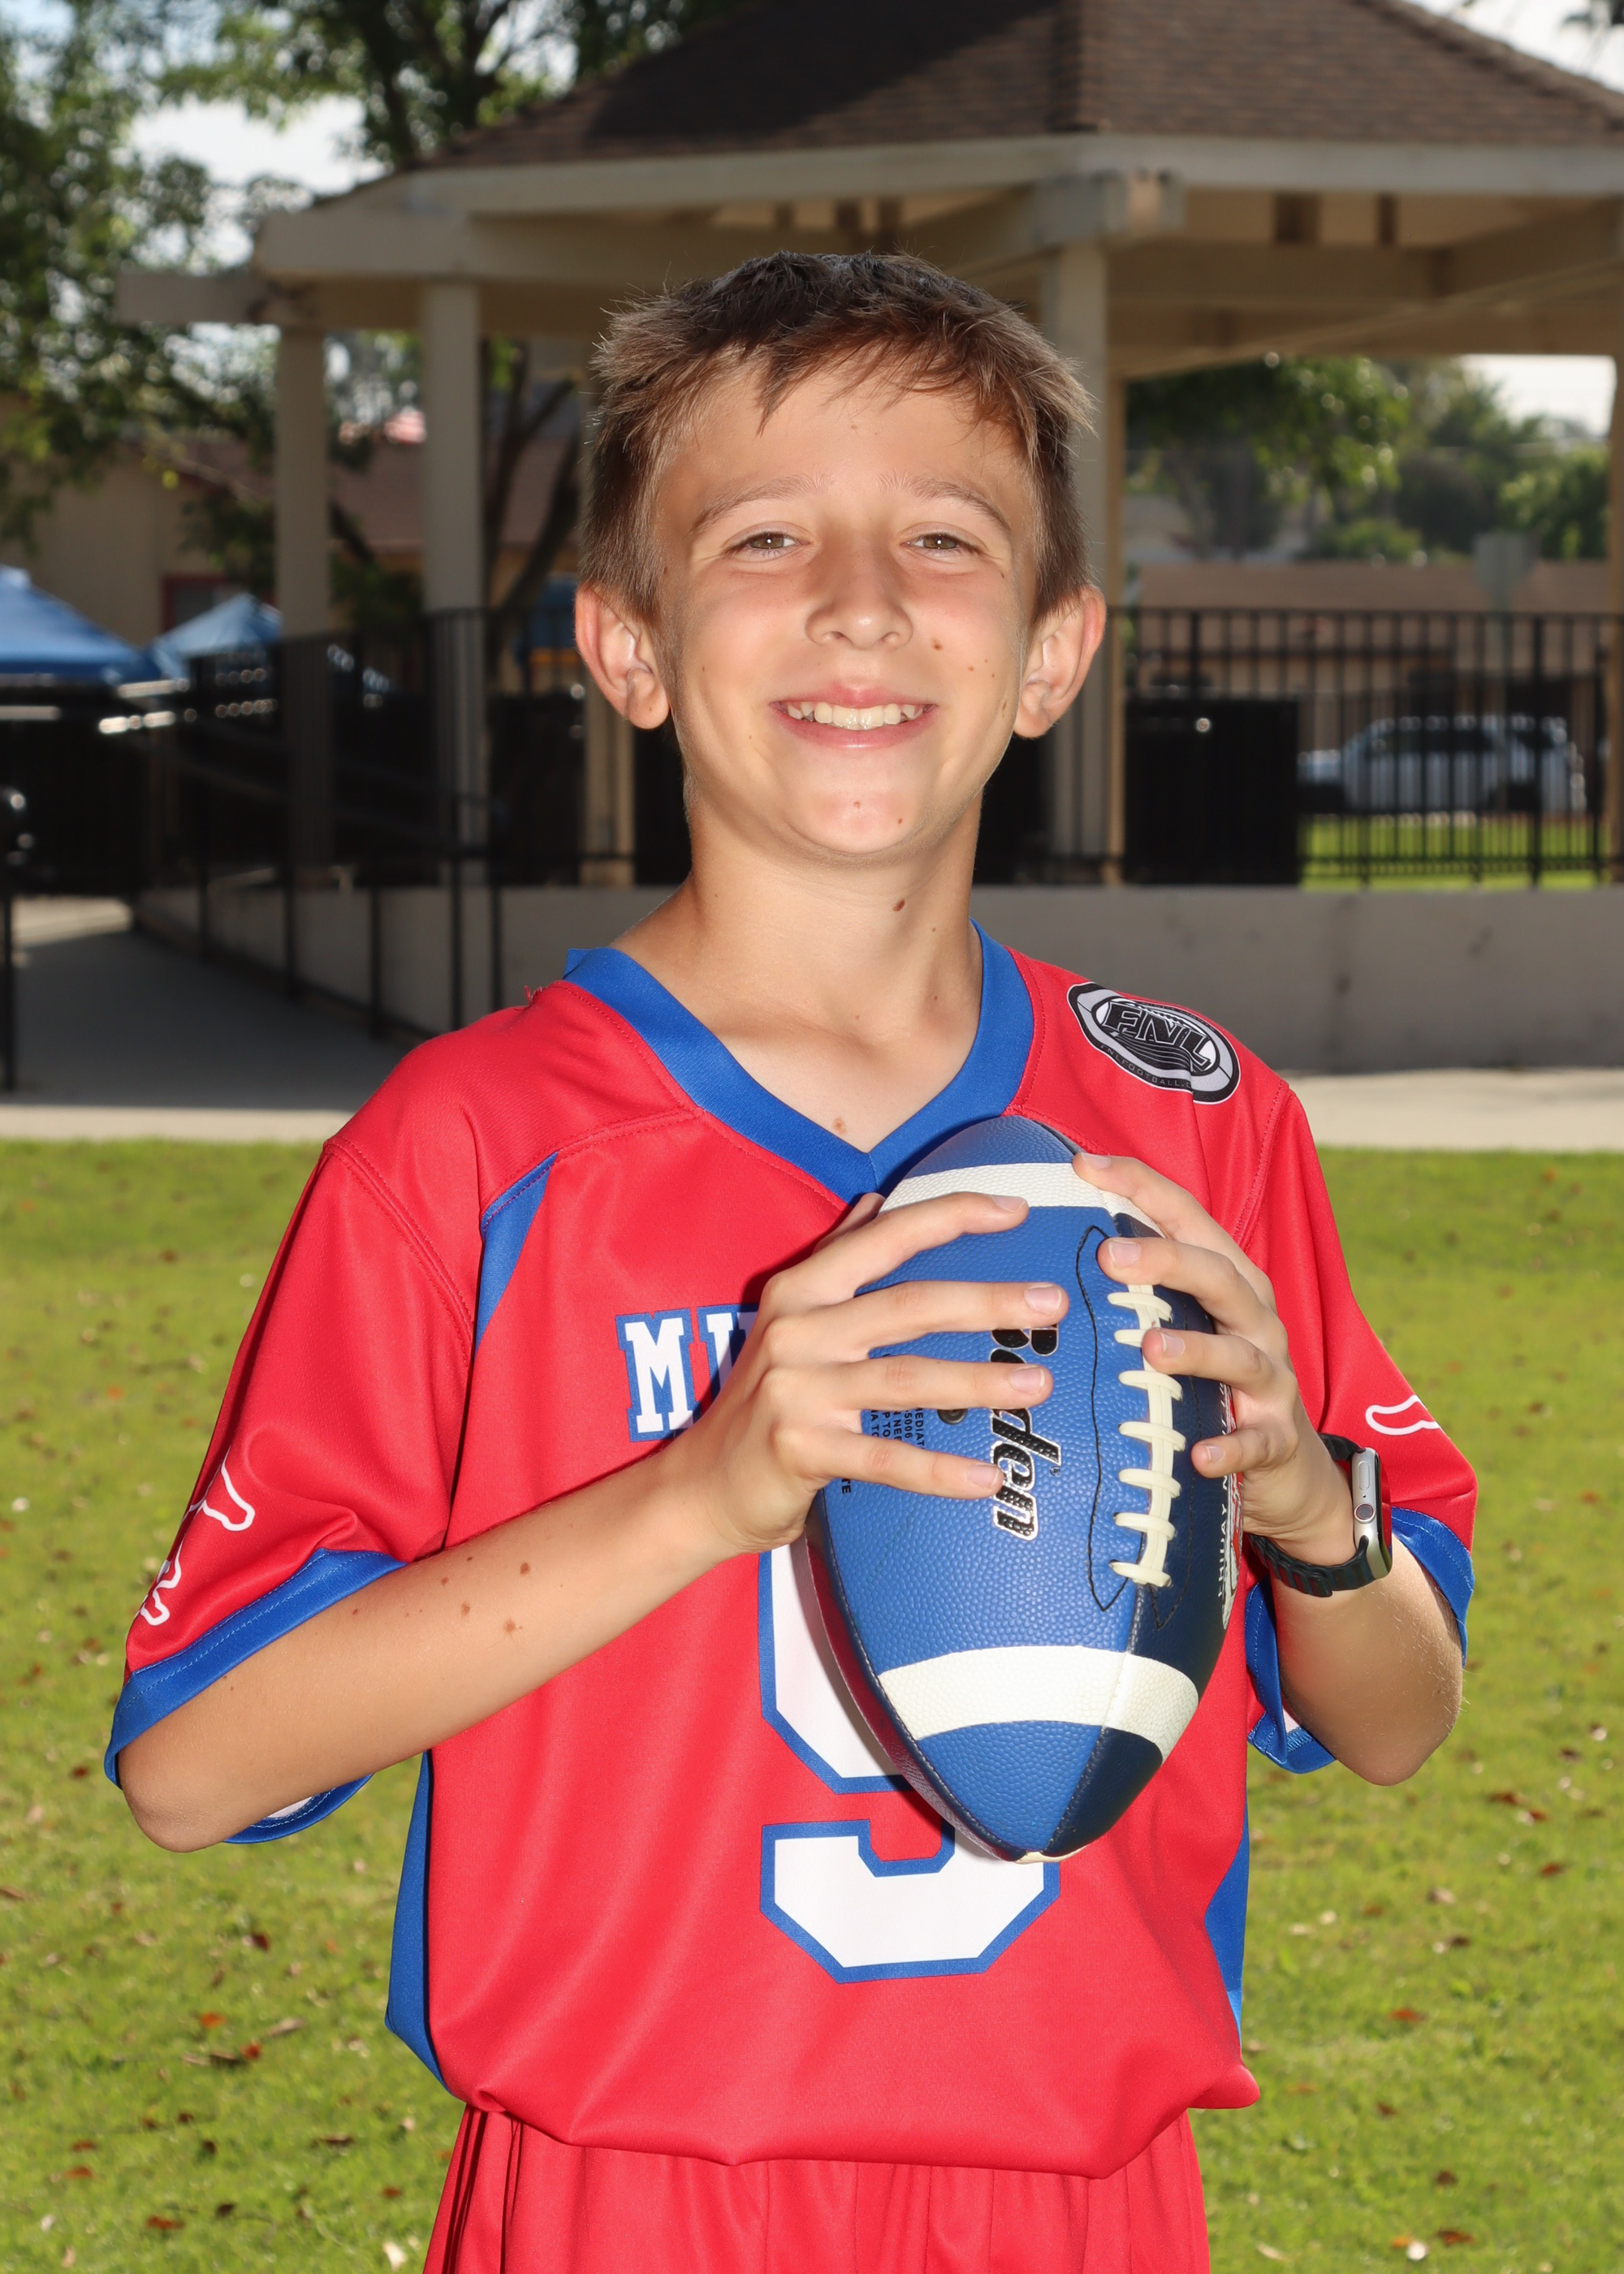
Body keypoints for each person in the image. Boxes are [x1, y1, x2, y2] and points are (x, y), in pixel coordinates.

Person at [109, 253, 1475, 2273]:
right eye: (763, 536)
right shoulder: (470, 1146)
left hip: (1082, 2209)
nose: (858, 599)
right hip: (628, 2197)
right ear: (626, 643)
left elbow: (1397, 1718)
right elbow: (192, 1760)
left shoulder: (1195, 1129)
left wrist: (1306, 1519)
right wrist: (703, 1487)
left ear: (1051, 649)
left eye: (944, 536)